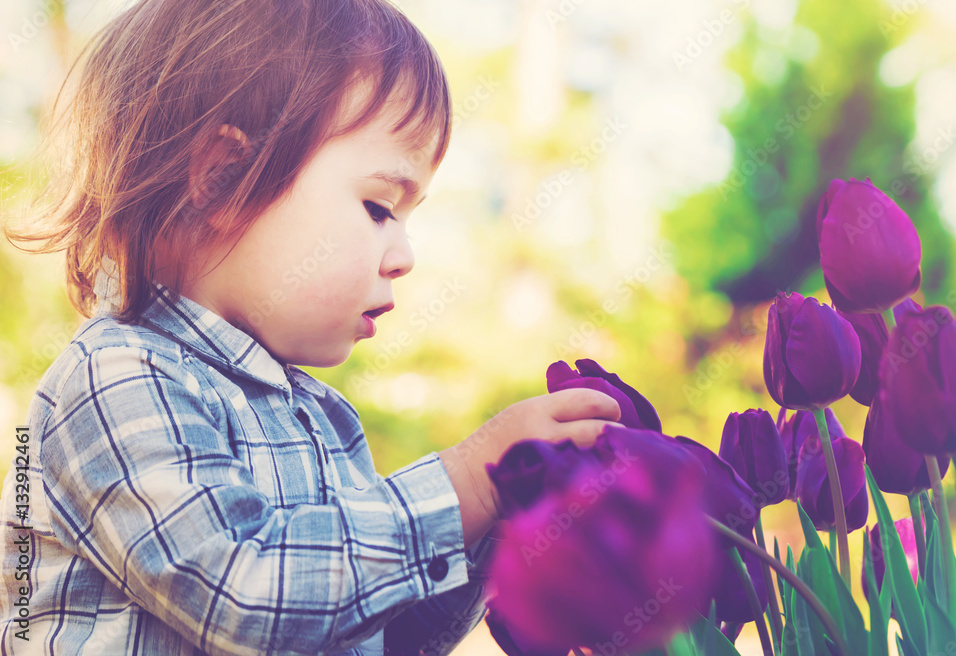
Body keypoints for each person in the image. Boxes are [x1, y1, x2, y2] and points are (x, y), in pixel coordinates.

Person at [0, 0, 623, 653]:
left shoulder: (320, 419)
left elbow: (383, 636)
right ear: (222, 179)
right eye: (381, 207)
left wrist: (495, 517)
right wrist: (465, 481)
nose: (405, 255)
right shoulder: (117, 378)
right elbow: (248, 596)